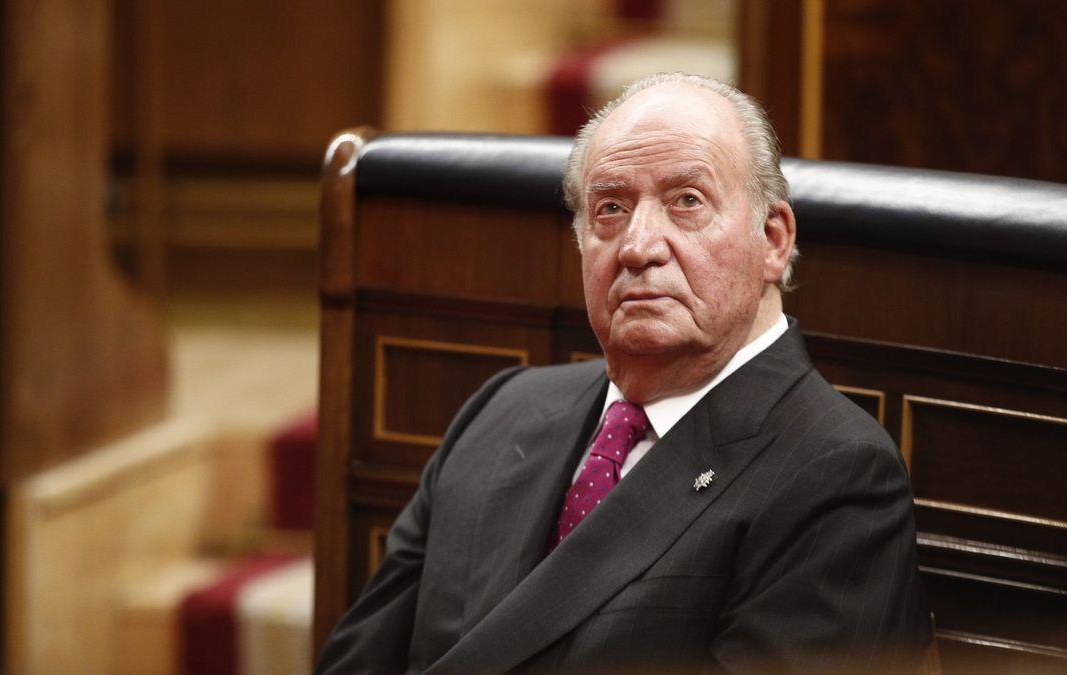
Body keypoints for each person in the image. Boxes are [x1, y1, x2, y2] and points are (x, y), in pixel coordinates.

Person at [316, 73, 932, 674]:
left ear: (773, 238)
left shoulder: (835, 473)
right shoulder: (504, 409)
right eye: (610, 208)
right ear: (582, 243)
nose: (639, 246)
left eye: (686, 202)